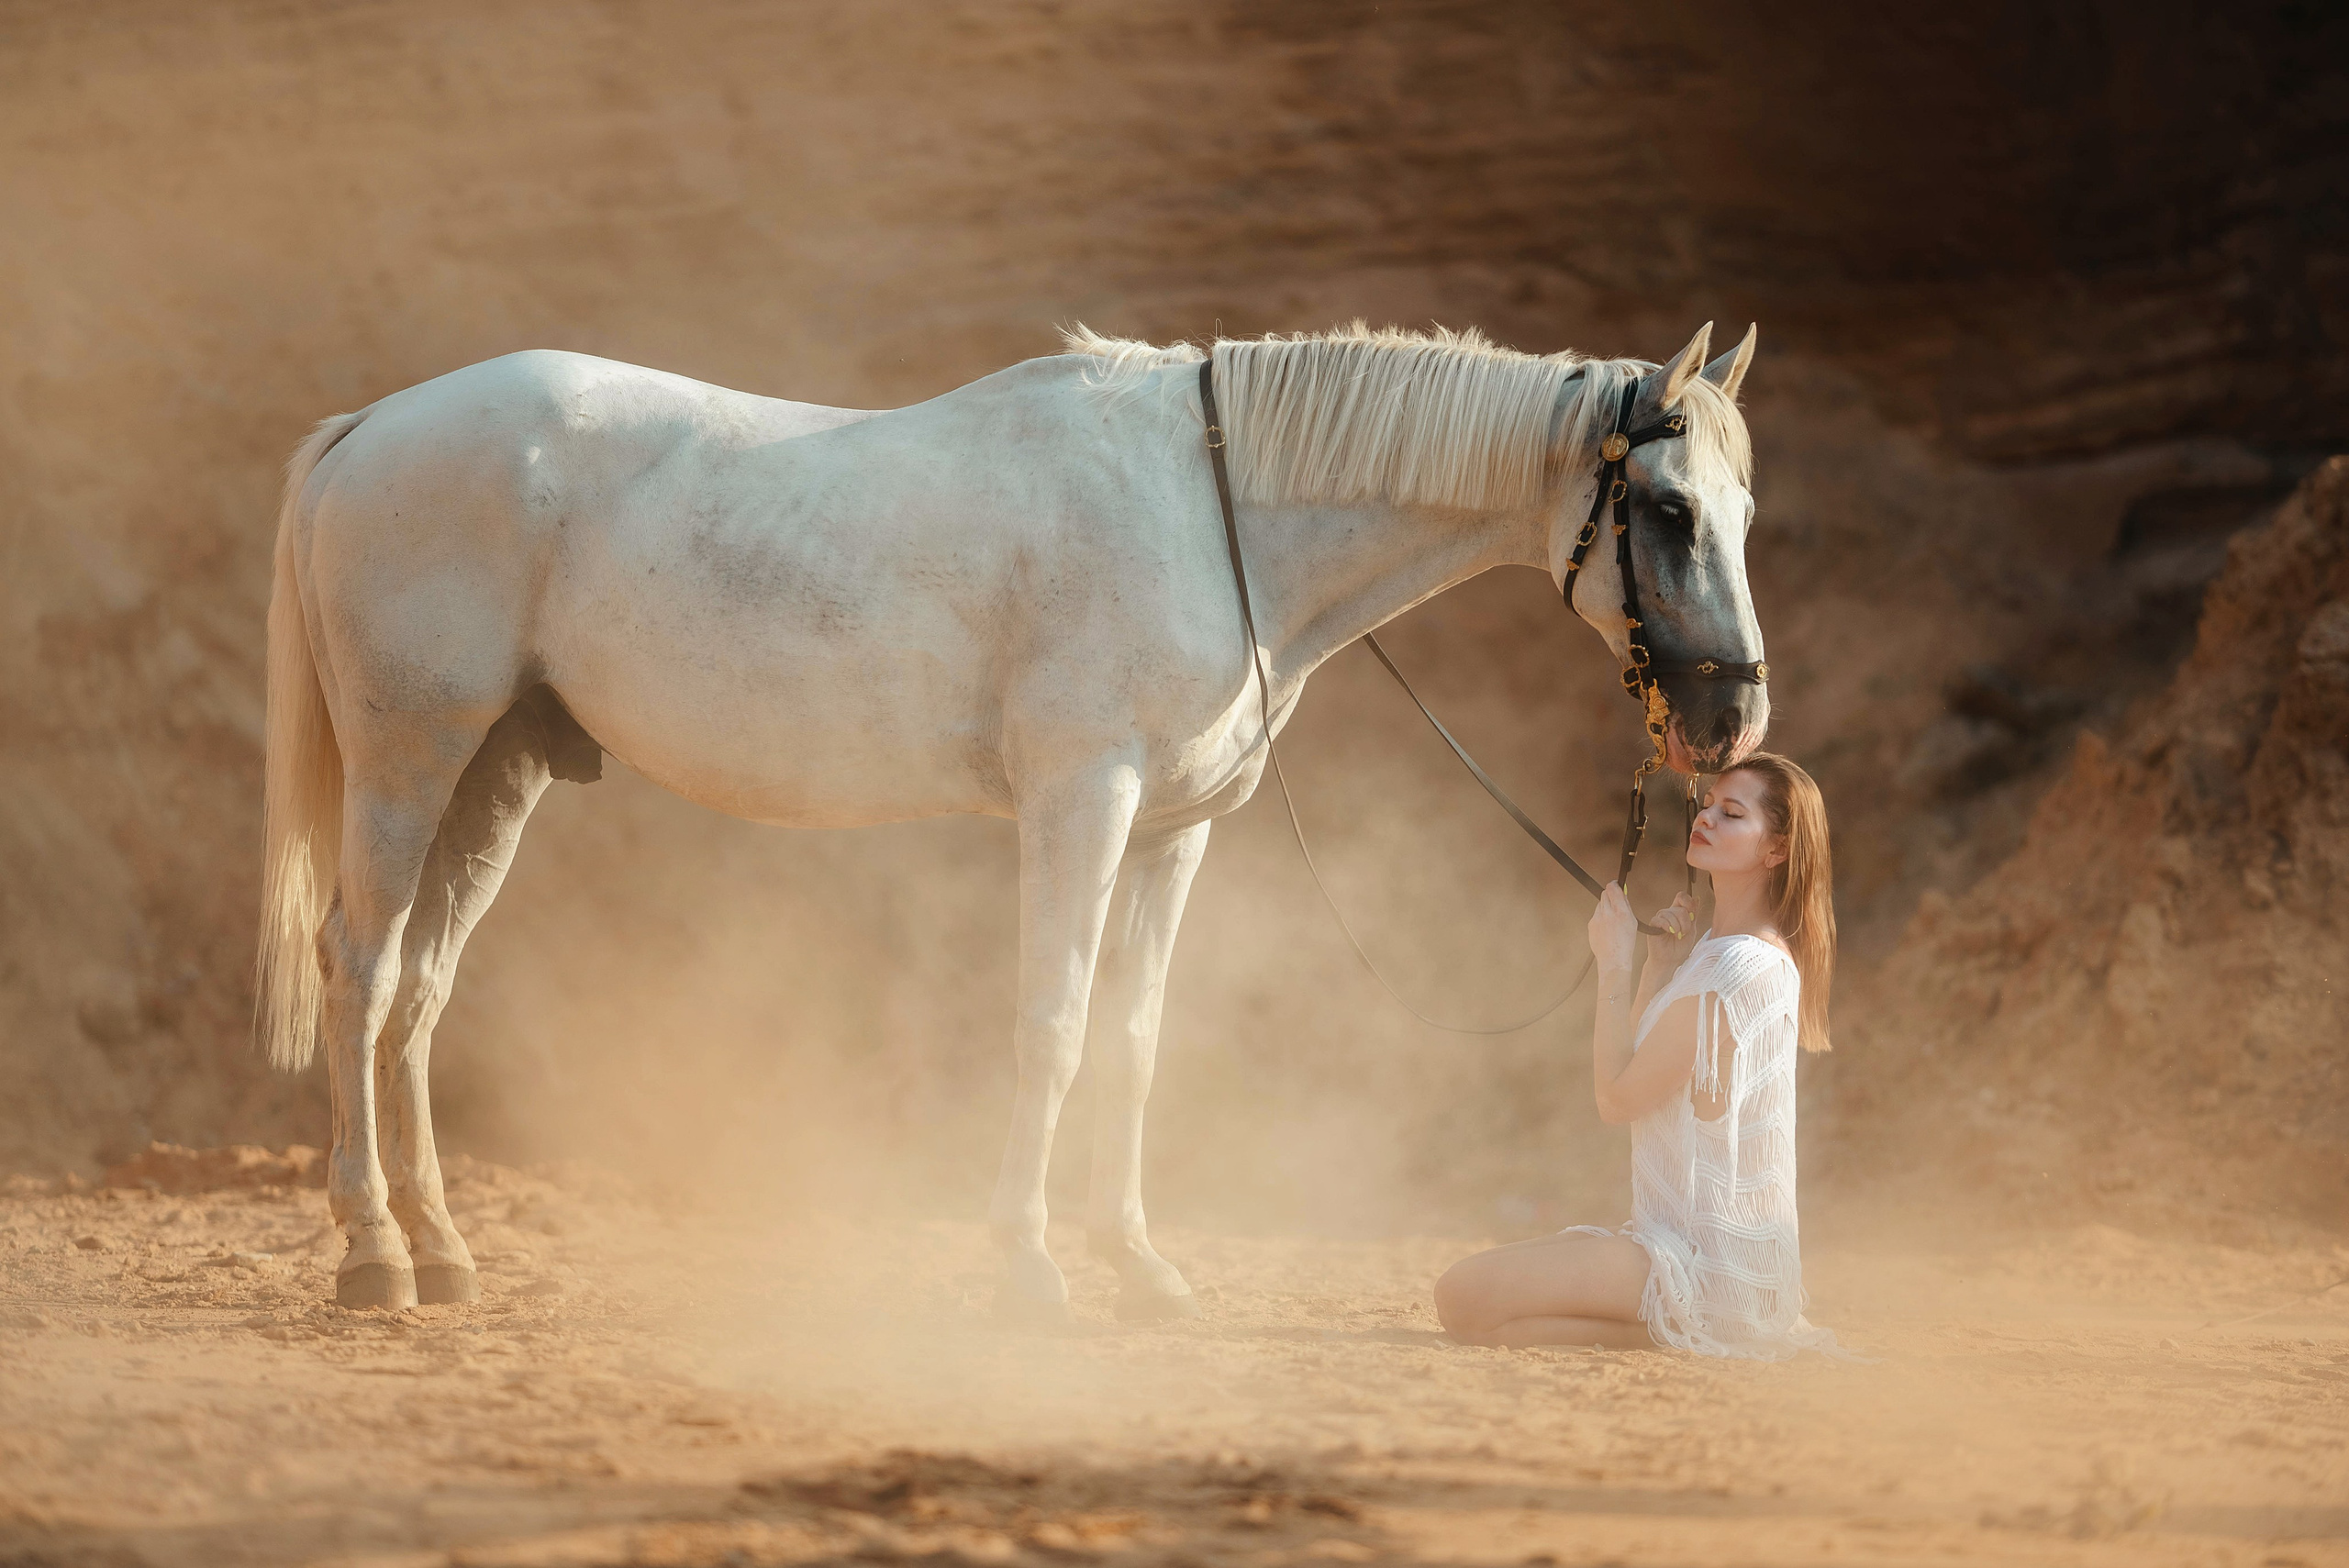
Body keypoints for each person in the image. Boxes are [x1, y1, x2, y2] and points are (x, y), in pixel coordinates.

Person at [1431, 752, 1849, 1359]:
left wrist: (1617, 963)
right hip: (1673, 1243)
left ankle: (1685, 1327)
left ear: (1777, 849)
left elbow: (1616, 1098)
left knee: (1463, 1294)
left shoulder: (1737, 966)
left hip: (1710, 1264)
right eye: (1708, 804)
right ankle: (1661, 1331)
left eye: (1732, 813)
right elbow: (1645, 1066)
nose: (1706, 816)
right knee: (1471, 1305)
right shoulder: (1715, 949)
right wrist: (1657, 969)